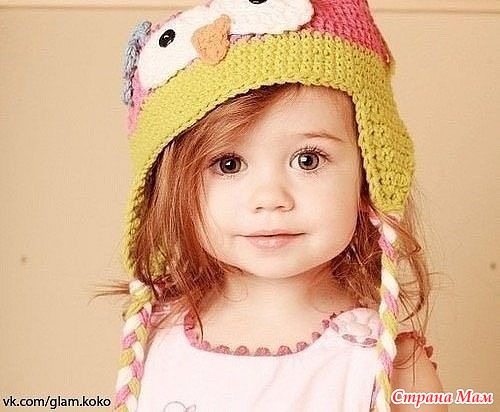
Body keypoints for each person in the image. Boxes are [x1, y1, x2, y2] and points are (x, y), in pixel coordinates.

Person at [106, 0, 446, 411]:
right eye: (228, 164)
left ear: (369, 173)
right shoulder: (153, 338)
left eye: (308, 160)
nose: (270, 198)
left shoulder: (392, 370)